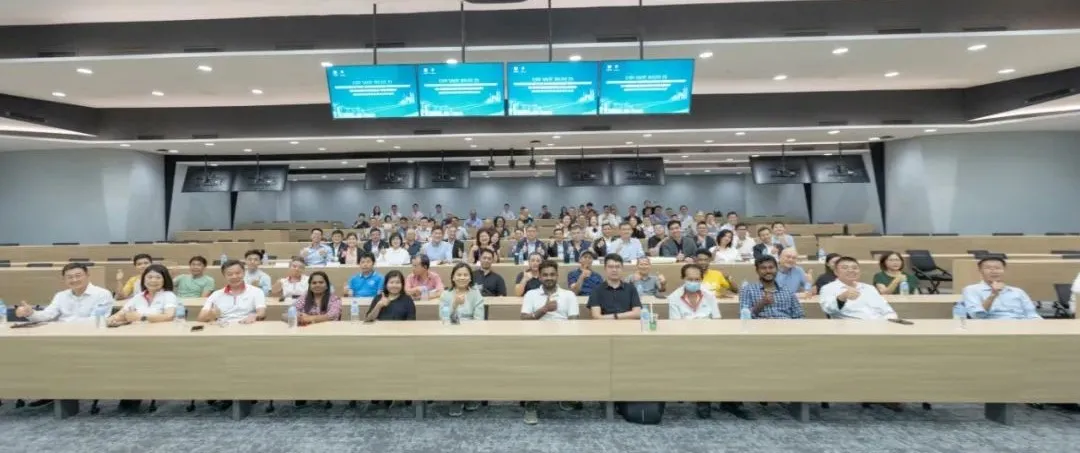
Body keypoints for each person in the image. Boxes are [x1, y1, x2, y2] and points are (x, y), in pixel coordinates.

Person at [518, 259, 579, 424]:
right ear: (539, 277)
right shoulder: (531, 294)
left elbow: (574, 322)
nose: (549, 278)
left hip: (563, 339)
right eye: (545, 275)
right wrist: (544, 309)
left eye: (552, 274)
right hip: (535, 339)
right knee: (531, 364)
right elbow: (524, 319)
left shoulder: (569, 295)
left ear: (557, 276)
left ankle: (564, 395)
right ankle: (531, 403)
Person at [16, 263, 114, 323]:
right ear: (64, 279)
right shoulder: (61, 295)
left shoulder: (102, 294)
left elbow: (96, 320)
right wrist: (31, 313)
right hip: (62, 334)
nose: (74, 280)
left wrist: (62, 323)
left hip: (90, 336)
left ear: (87, 275)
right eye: (69, 277)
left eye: (78, 276)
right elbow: (47, 315)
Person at [959, 257, 1041, 319]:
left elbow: (1032, 314)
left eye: (997, 268)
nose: (993, 271)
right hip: (990, 327)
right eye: (988, 268)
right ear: (980, 270)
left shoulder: (1018, 291)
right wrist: (993, 294)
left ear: (1004, 270)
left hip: (1021, 326)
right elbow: (977, 316)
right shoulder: (971, 290)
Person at [819, 257, 898, 320]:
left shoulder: (869, 288)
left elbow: (887, 310)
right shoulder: (829, 288)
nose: (851, 270)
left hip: (881, 326)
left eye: (855, 268)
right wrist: (842, 297)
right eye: (845, 268)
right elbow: (828, 309)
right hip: (852, 329)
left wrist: (891, 321)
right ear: (836, 272)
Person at [198, 260, 268, 324]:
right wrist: (211, 314)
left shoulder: (256, 291)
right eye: (230, 274)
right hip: (223, 328)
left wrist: (255, 316)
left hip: (247, 326)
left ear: (244, 273)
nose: (234, 276)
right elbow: (200, 318)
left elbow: (262, 313)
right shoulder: (216, 294)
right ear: (224, 276)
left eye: (238, 273)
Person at [740, 256, 805, 319]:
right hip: (760, 325)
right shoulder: (748, 290)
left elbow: (799, 315)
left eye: (771, 267)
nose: (768, 271)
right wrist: (761, 304)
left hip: (785, 324)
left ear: (777, 269)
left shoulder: (787, 290)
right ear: (757, 271)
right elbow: (744, 317)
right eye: (763, 268)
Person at [586, 254, 642, 319]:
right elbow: (596, 316)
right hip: (604, 325)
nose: (614, 270)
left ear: (622, 269)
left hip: (627, 324)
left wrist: (615, 316)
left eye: (617, 267)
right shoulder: (596, 290)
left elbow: (637, 313)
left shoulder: (631, 288)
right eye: (610, 267)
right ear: (605, 269)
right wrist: (624, 316)